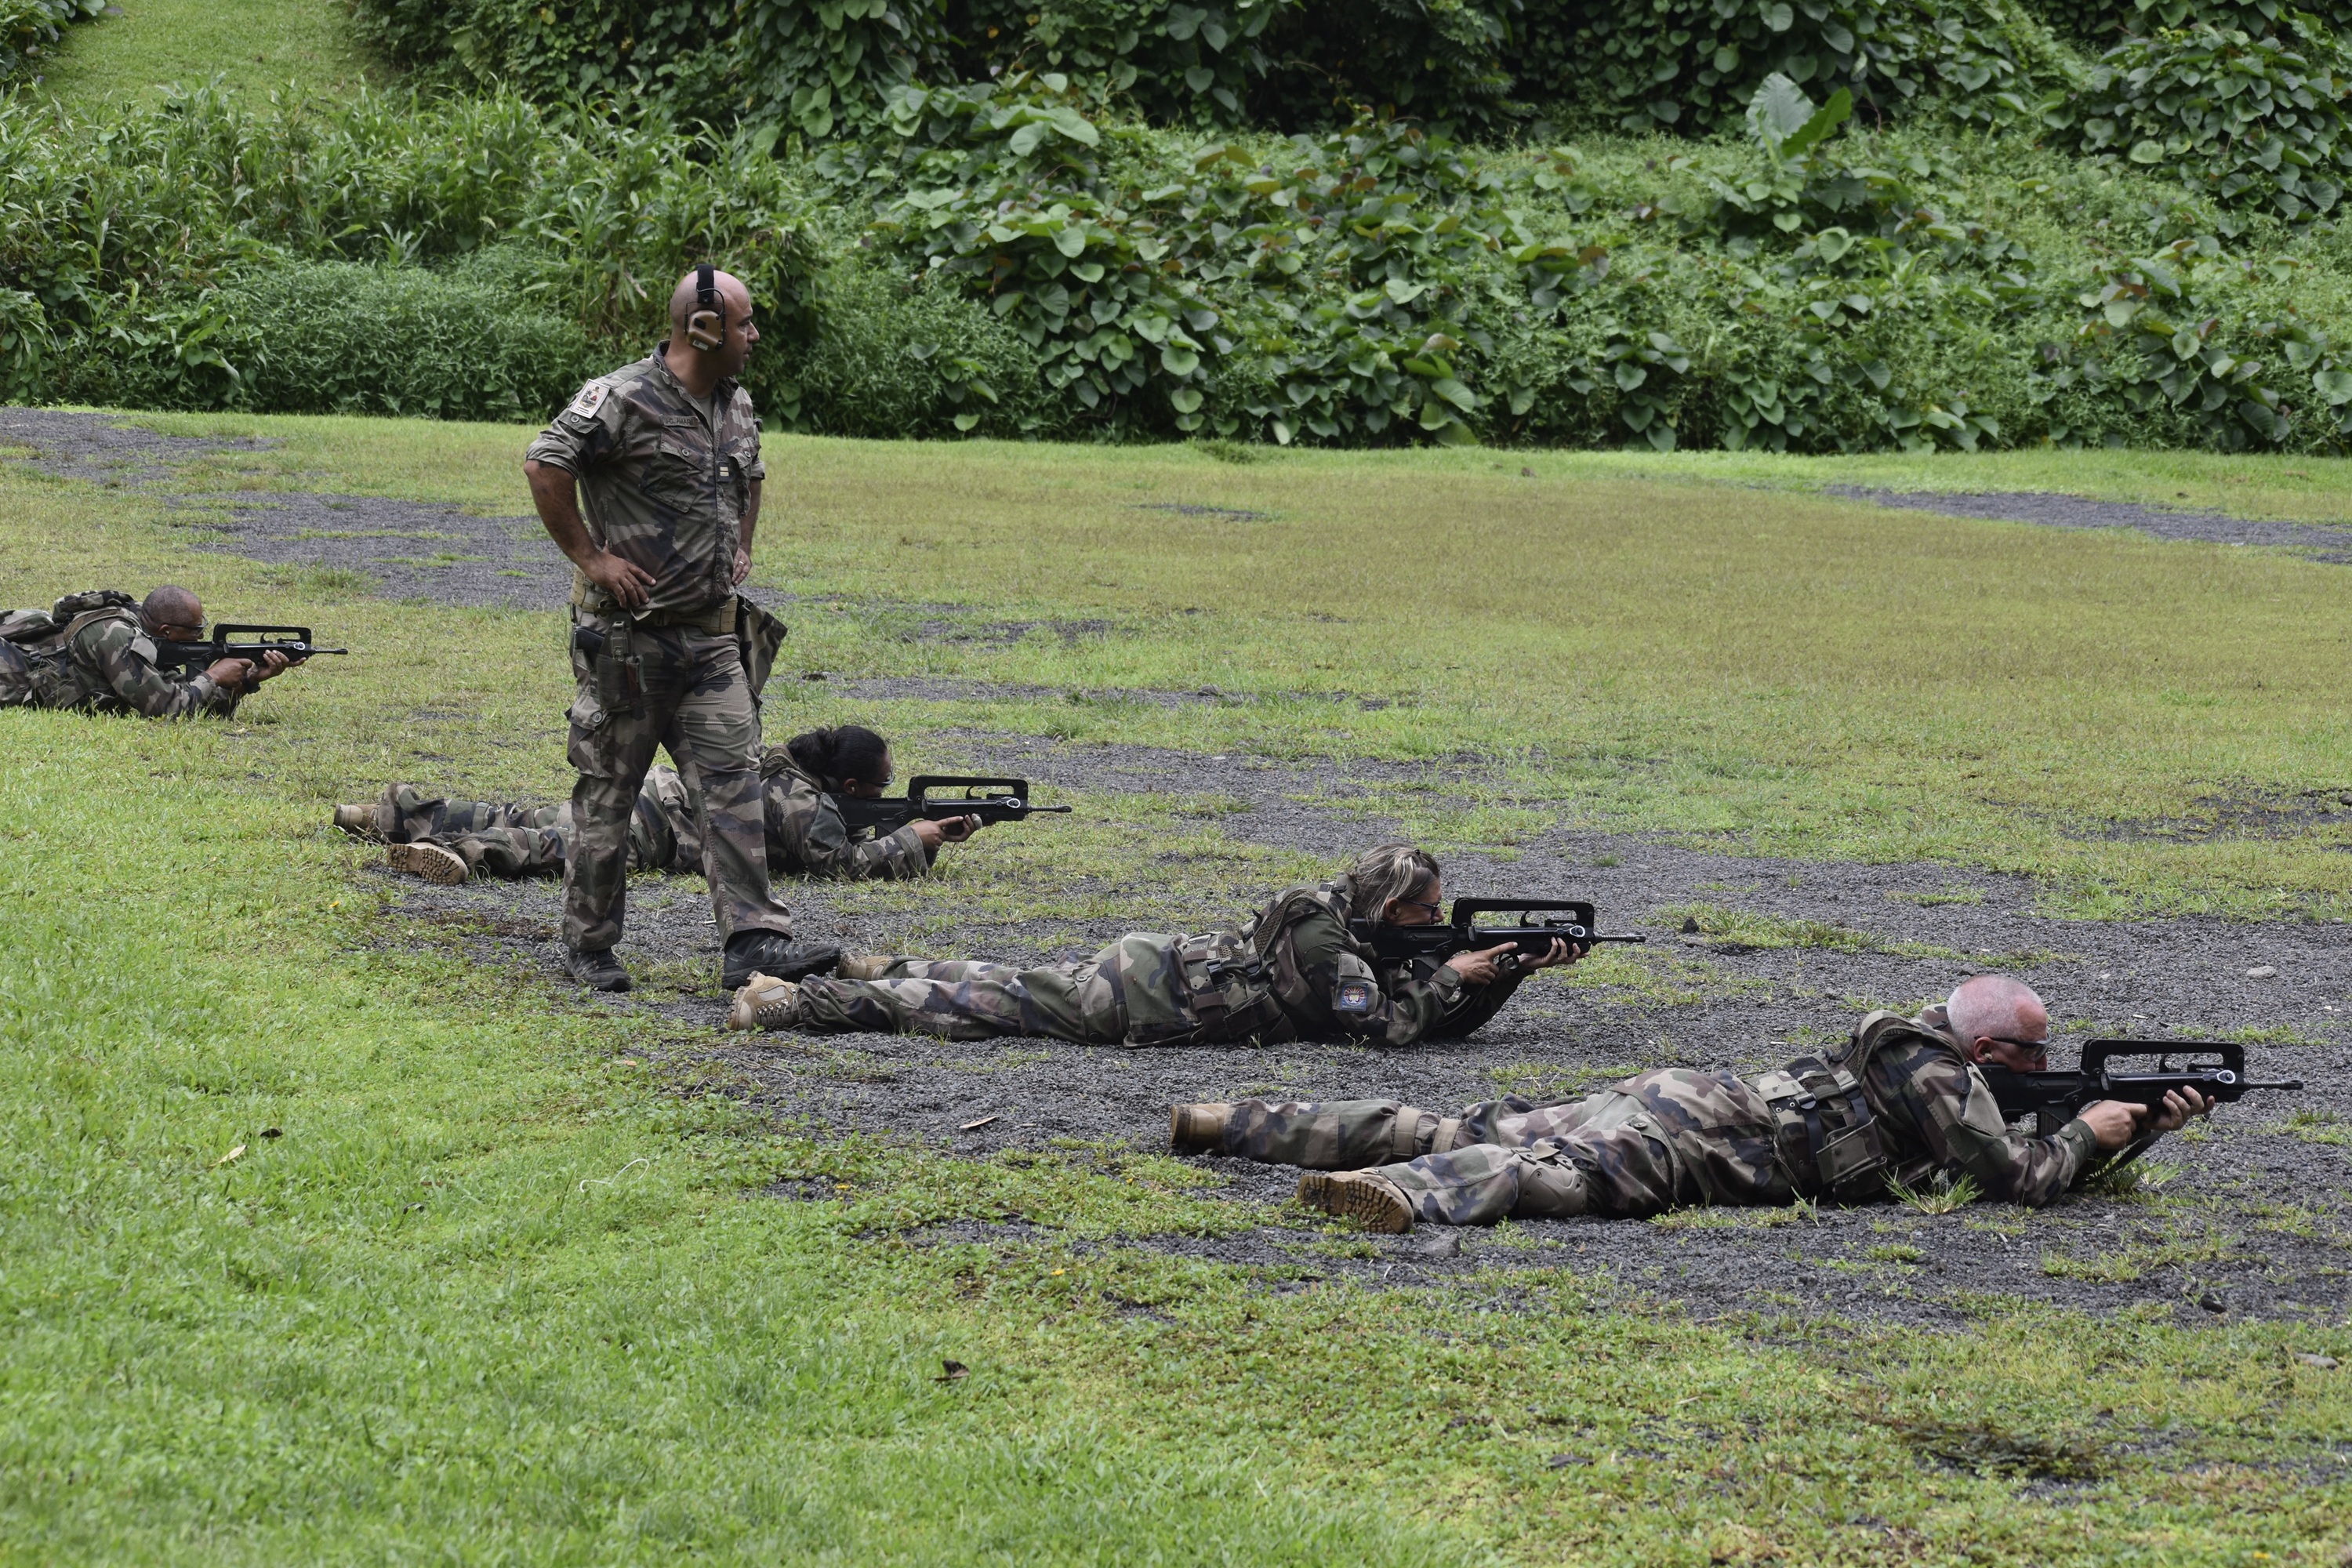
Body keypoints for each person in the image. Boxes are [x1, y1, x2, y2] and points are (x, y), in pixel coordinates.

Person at [1167, 974, 2214, 1232]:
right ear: (1987, 1048)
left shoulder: (1916, 1053)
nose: (2041, 1067)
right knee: (1554, 1178)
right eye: (2031, 1055)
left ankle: (1233, 1122)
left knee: (1465, 1124)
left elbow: (2004, 1152)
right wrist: (2087, 1131)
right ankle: (1389, 1194)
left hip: (1690, 1095)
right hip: (1713, 1142)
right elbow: (2023, 1179)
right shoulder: (1940, 1071)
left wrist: (2136, 1128)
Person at [522, 263, 817, 995]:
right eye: (744, 324)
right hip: (628, 642)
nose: (754, 337)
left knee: (735, 787)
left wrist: (743, 543)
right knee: (609, 793)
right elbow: (543, 463)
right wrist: (592, 556)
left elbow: (750, 475)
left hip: (713, 640)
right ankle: (589, 945)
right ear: (704, 328)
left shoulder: (735, 403)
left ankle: (752, 942)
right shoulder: (621, 398)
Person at [723, 841, 1579, 1045]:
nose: (1435, 922)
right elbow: (1383, 1027)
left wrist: (1505, 972)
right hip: (1146, 997)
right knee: (981, 1006)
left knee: (1008, 980)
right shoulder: (1334, 951)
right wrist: (1461, 972)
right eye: (1424, 911)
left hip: (1154, 964)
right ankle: (797, 1000)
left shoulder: (1327, 907)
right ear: (1389, 910)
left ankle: (876, 963)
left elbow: (1421, 993)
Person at [333, 724, 981, 886]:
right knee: (554, 845)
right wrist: (915, 840)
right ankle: (452, 854)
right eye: (878, 788)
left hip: (654, 793)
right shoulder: (806, 806)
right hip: (659, 829)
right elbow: (839, 864)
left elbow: (853, 824)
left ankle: (391, 811)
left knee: (526, 815)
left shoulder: (784, 764)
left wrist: (909, 823)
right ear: (848, 788)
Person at [0, 586, 294, 717]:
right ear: (166, 630)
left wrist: (249, 680)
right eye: (194, 631)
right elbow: (164, 707)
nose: (200, 636)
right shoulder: (116, 635)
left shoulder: (146, 629)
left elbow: (189, 698)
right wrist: (214, 675)